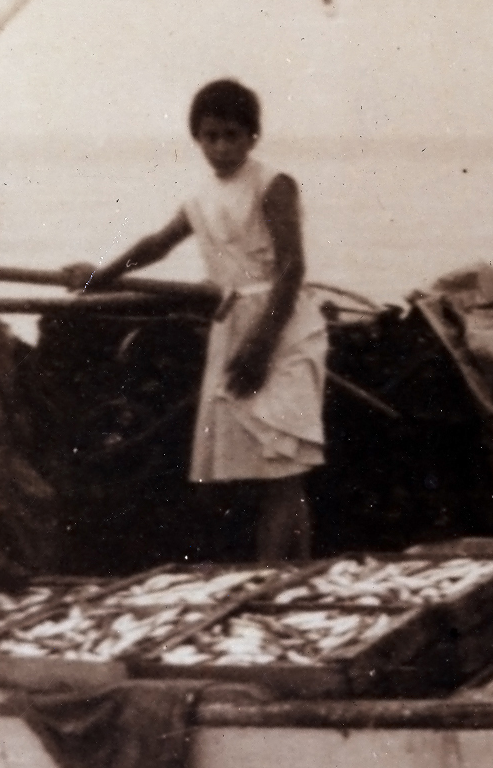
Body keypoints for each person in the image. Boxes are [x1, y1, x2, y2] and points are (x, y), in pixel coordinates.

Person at [69, 79, 326, 561]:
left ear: (253, 136)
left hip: (282, 325)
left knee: (285, 467)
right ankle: (272, 574)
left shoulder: (272, 184)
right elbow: (158, 243)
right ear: (197, 139)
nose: (222, 147)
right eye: (211, 136)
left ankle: (282, 580)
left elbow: (293, 268)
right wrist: (97, 278)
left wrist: (261, 344)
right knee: (243, 464)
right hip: (233, 323)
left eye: (233, 135)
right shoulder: (201, 197)